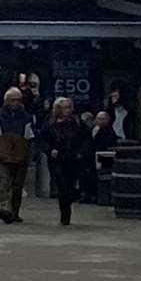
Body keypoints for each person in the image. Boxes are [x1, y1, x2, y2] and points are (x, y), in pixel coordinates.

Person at [0, 88, 36, 224]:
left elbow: (31, 136)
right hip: (2, 155)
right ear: (6, 101)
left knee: (17, 186)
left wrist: (30, 153)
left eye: (18, 100)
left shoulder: (26, 116)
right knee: (4, 182)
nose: (15, 103)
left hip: (20, 156)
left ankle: (14, 211)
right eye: (12, 100)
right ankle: (5, 208)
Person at [44, 97, 88, 226]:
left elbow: (86, 138)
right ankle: (65, 215)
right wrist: (50, 150)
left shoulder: (77, 122)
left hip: (73, 158)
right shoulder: (50, 123)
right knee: (62, 186)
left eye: (69, 107)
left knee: (70, 186)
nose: (67, 110)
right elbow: (43, 140)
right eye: (64, 107)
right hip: (57, 160)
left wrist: (81, 152)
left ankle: (72, 200)